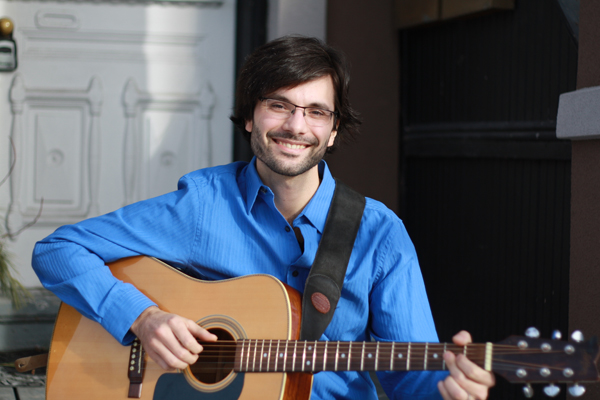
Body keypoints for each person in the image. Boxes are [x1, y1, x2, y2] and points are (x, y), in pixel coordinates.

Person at [32, 36, 495, 399]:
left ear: (334, 131)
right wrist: (142, 317)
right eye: (279, 105)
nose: (296, 126)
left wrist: (448, 389)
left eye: (316, 112)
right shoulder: (203, 205)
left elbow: (409, 378)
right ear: (250, 116)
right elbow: (58, 250)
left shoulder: (379, 234)